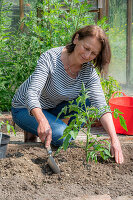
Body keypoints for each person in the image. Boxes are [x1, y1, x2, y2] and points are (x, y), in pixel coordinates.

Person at [11, 25, 124, 164]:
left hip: (53, 106)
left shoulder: (88, 72)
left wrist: (115, 140)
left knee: (88, 101)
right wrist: (41, 120)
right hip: (24, 107)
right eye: (86, 48)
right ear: (76, 39)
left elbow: (101, 106)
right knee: (62, 135)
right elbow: (32, 93)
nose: (87, 56)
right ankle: (46, 128)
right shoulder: (50, 58)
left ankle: (51, 129)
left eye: (94, 53)